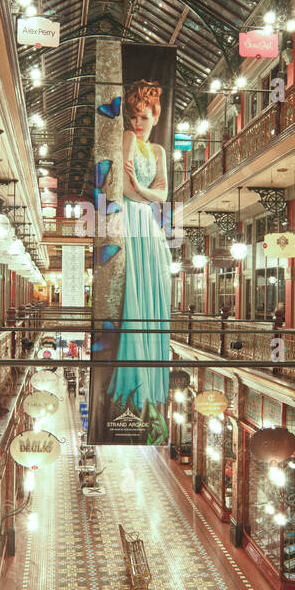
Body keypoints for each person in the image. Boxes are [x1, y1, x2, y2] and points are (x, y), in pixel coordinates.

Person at [108, 79, 171, 436]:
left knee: (153, 294)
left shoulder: (158, 151)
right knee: (137, 293)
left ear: (154, 117)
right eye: (133, 116)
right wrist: (147, 194)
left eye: (144, 117)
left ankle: (146, 389)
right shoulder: (128, 139)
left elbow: (160, 194)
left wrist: (144, 192)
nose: (137, 123)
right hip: (132, 221)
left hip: (147, 223)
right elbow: (124, 189)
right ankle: (137, 388)